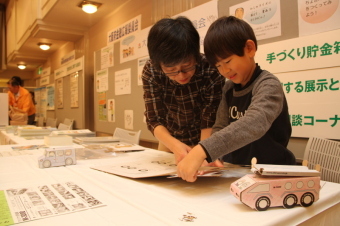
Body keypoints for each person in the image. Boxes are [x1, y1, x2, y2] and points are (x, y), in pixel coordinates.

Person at [177, 16, 296, 182]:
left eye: (227, 61)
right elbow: (220, 126)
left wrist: (202, 150)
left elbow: (255, 123)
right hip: (238, 171)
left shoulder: (268, 84)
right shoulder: (229, 88)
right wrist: (214, 155)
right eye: (218, 66)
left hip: (272, 173)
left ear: (249, 48)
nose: (224, 70)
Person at [142, 16, 225, 163]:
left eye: (187, 66)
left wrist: (204, 151)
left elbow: (209, 118)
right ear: (158, 64)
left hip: (205, 139)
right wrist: (175, 146)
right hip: (169, 140)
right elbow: (154, 119)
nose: (180, 75)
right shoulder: (151, 71)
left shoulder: (210, 69)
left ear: (195, 56)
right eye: (171, 69)